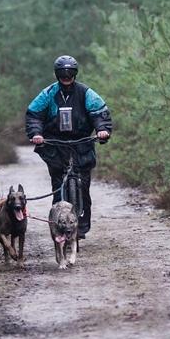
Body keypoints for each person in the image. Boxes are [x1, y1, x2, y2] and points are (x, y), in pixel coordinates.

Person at [25, 55, 112, 238]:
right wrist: (37, 134)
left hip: (82, 143)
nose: (66, 76)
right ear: (57, 75)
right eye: (63, 73)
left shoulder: (86, 93)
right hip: (55, 145)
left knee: (84, 186)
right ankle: (59, 226)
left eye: (69, 73)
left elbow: (99, 113)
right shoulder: (48, 94)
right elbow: (34, 114)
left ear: (75, 73)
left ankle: (81, 227)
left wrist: (102, 130)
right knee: (58, 185)